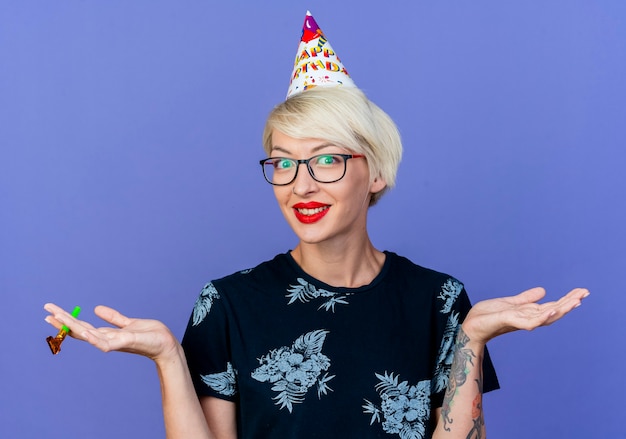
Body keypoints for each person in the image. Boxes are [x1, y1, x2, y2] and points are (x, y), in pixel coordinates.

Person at [44, 11, 589, 439]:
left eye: (325, 159)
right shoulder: (227, 305)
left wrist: (470, 338)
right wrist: (169, 357)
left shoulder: (440, 301)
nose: (300, 184)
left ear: (374, 171)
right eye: (282, 163)